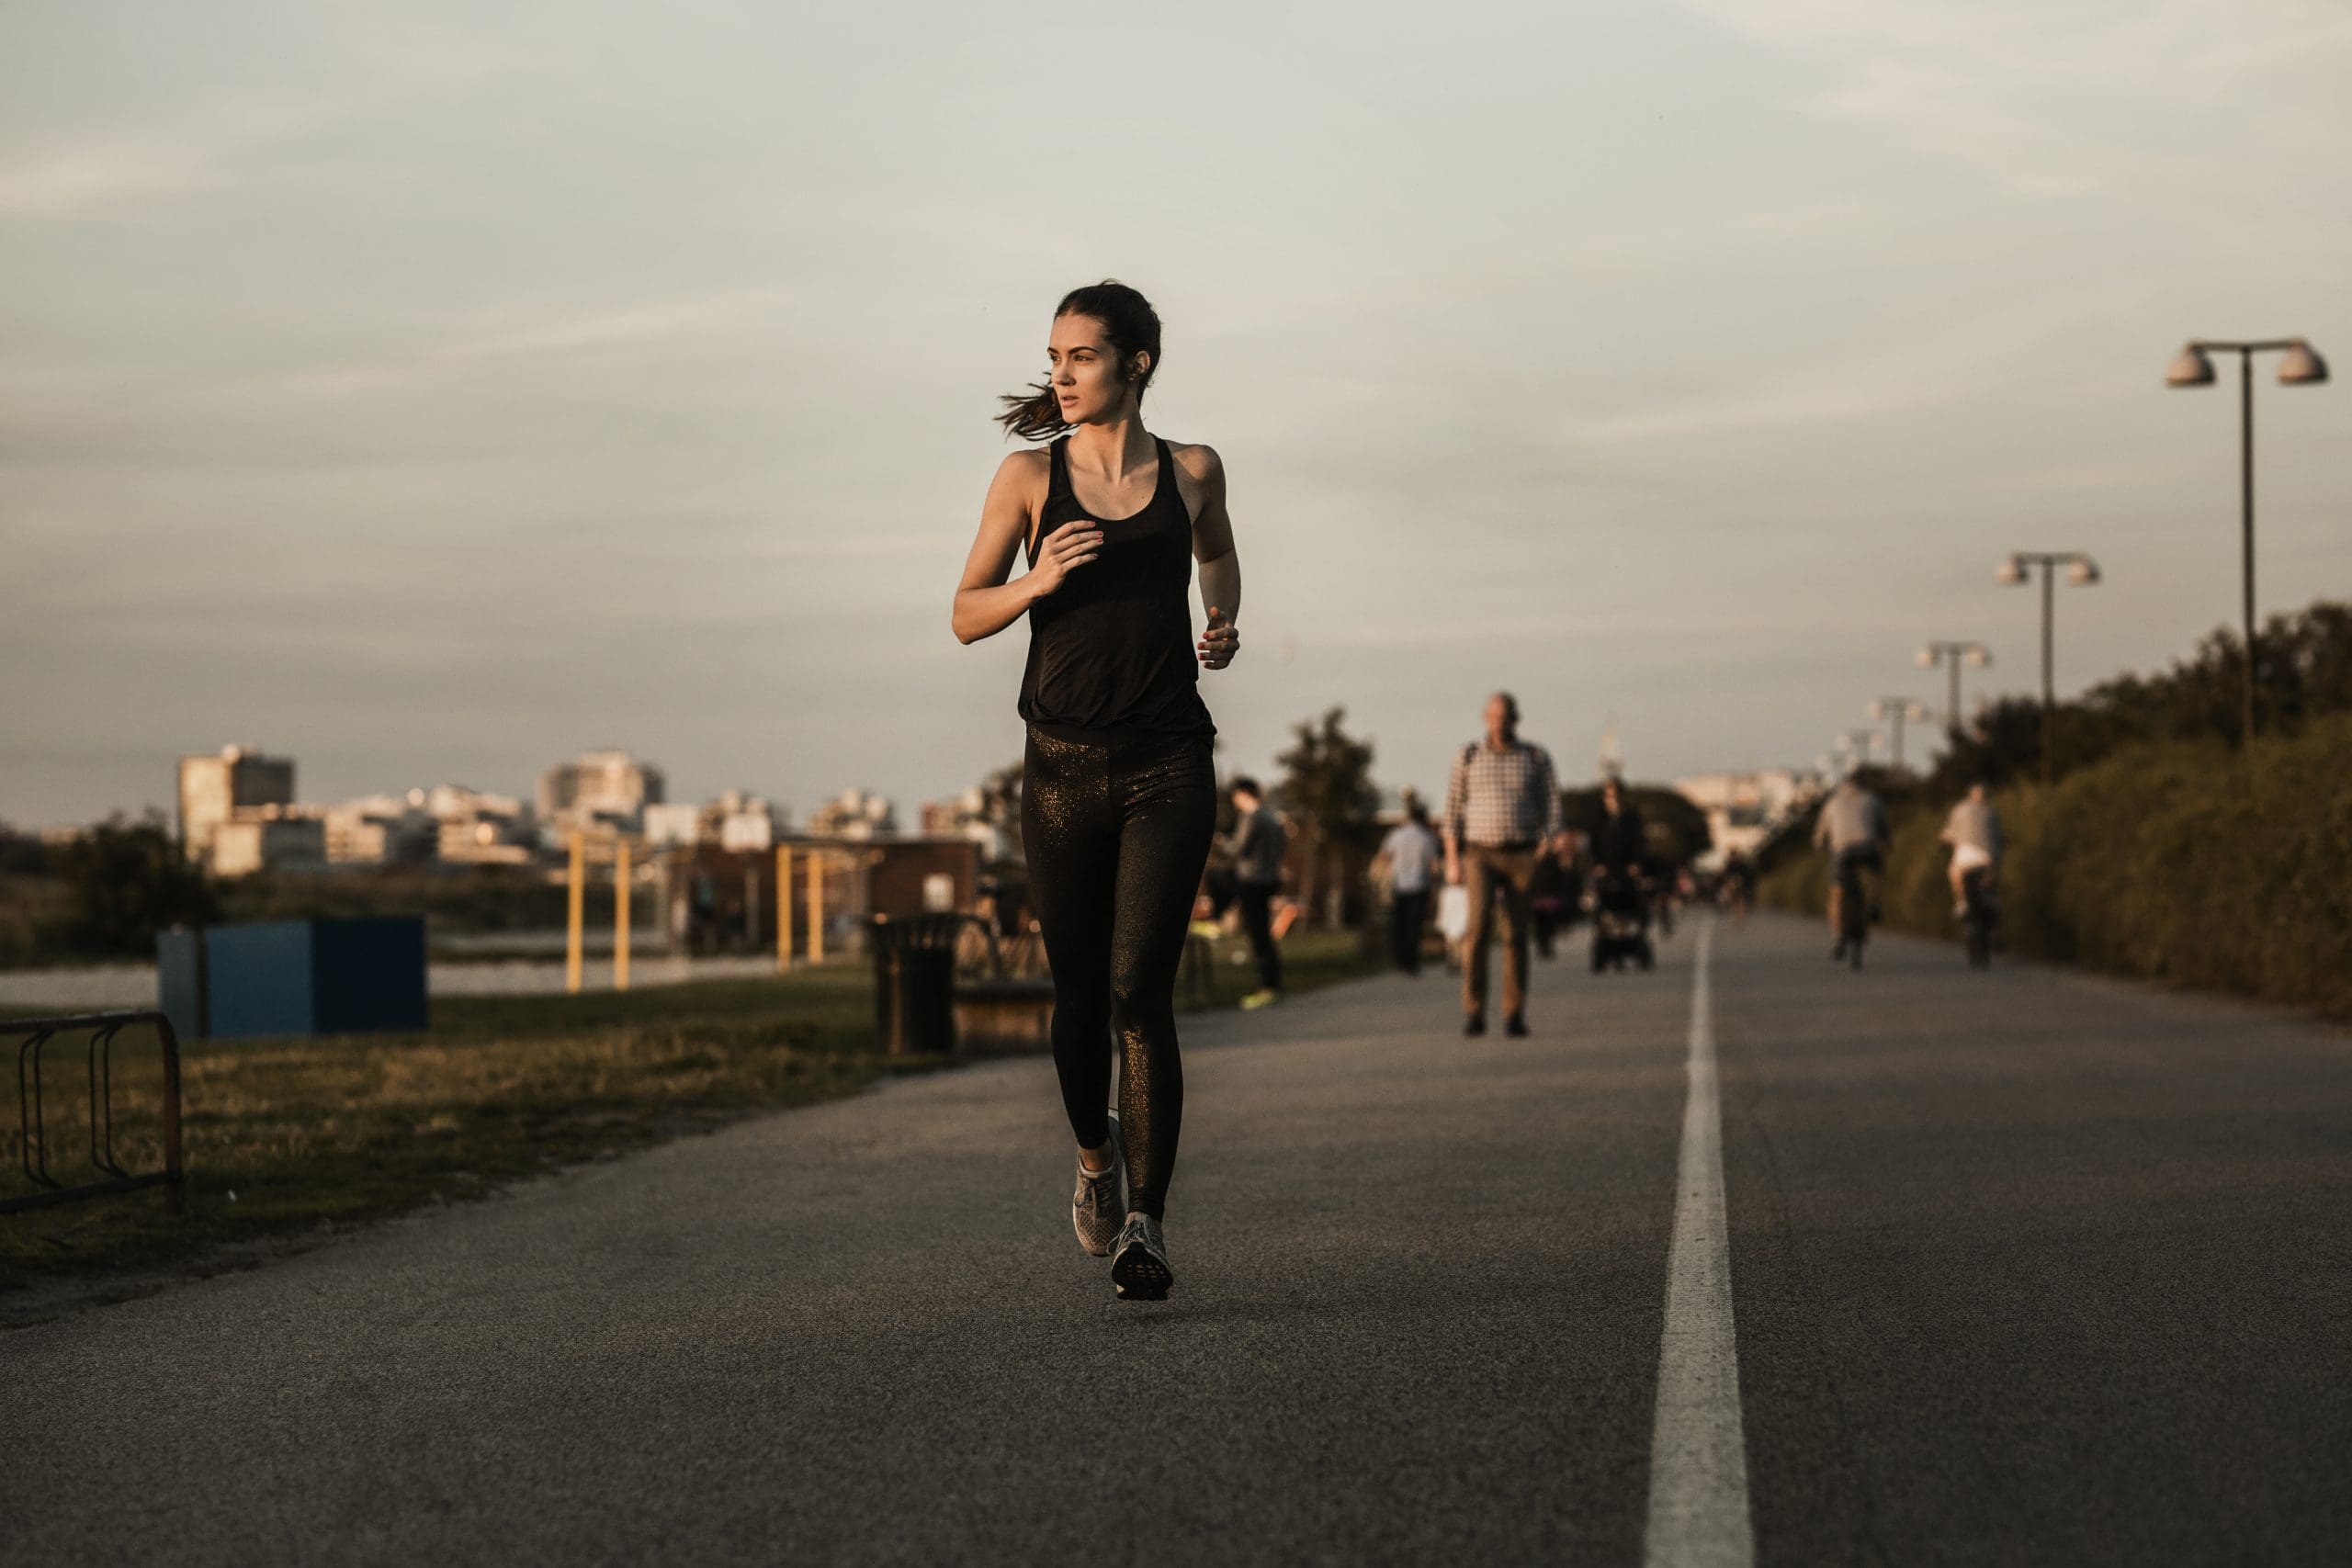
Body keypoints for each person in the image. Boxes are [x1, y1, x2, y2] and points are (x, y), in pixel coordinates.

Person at [951, 280, 1240, 1302]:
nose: (1063, 375)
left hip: (1169, 762)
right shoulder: (1030, 477)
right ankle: (1093, 1156)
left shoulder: (1192, 470)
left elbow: (1218, 556)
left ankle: (1145, 1227)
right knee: (1076, 993)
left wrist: (1222, 622)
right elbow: (964, 613)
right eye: (1055, 357)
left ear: (1135, 363)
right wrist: (1035, 581)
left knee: (1137, 993)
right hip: (1063, 768)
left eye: (1081, 356)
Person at [1442, 692, 1568, 1038]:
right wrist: (1452, 859)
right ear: (1485, 719)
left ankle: (1514, 1012)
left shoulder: (1535, 757)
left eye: (1504, 717)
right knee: (1478, 929)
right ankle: (1474, 1010)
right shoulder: (1469, 756)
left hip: (1522, 852)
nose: (1499, 724)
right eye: (1493, 717)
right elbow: (1452, 812)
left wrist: (1548, 842)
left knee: (1516, 934)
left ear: (1515, 719)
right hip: (1479, 852)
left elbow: (1553, 807)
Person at [1214, 776, 1287, 1006]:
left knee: (1258, 934)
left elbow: (1239, 849)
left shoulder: (1253, 818)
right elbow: (1281, 848)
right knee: (1263, 933)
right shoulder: (1272, 818)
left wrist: (1221, 842)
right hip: (1268, 879)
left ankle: (1268, 986)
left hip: (1252, 880)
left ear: (1243, 794)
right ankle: (1272, 984)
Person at [1812, 773, 1888, 960]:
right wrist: (1886, 844)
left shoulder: (1832, 803)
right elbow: (1884, 831)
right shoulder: (1873, 799)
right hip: (1868, 847)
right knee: (1875, 870)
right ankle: (1874, 901)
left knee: (1836, 894)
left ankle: (1837, 937)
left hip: (1842, 851)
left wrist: (1823, 848)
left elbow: (1819, 838)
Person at [1373, 795, 1441, 975]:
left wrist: (1389, 870)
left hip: (1399, 885)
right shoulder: (1427, 837)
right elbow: (1433, 865)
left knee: (1398, 923)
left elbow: (1383, 856)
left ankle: (1398, 959)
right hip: (1419, 885)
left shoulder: (1396, 835)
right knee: (1414, 926)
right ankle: (1411, 961)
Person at [1939, 783, 2002, 918]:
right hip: (1987, 857)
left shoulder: (1960, 809)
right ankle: (1991, 898)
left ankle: (1962, 902)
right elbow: (1998, 836)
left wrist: (1943, 840)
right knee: (1993, 870)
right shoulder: (1992, 811)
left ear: (1970, 795)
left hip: (1965, 856)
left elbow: (1948, 833)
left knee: (1954, 872)